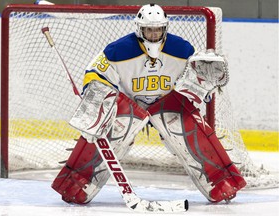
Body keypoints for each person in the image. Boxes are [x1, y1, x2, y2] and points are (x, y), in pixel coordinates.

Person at [51, 3, 246, 205]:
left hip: (168, 106)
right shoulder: (118, 50)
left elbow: (199, 78)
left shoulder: (182, 49)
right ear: (139, 28)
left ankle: (222, 182)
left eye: (158, 29)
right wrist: (95, 96)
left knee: (189, 133)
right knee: (111, 134)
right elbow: (95, 74)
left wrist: (204, 88)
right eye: (149, 29)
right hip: (130, 108)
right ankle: (75, 184)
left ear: (165, 28)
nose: (154, 34)